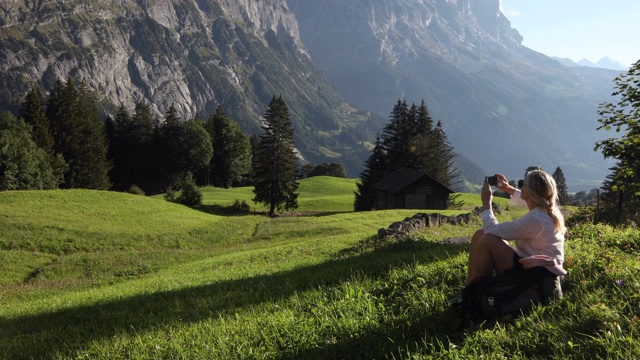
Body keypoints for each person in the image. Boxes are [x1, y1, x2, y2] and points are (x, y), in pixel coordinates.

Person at [465, 169, 567, 286]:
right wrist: (508, 189)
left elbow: (491, 230)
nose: (521, 187)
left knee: (486, 239)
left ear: (528, 193)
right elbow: (527, 201)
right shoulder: (547, 210)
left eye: (523, 184)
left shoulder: (536, 220)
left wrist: (486, 203)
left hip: (537, 276)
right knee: (480, 234)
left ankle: (475, 291)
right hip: (541, 269)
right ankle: (470, 286)